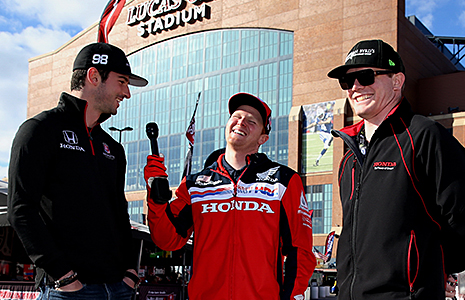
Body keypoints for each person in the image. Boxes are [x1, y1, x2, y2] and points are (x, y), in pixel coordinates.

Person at [8, 42, 148, 299]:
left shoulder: (112, 147)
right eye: (122, 82)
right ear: (94, 76)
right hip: (68, 290)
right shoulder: (40, 130)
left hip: (118, 288)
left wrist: (130, 272)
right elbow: (21, 210)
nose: (127, 93)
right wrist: (63, 275)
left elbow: (119, 213)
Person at [328, 39, 465, 299]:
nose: (355, 87)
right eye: (347, 81)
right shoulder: (349, 158)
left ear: (396, 81)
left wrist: (446, 268)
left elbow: (460, 213)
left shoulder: (423, 136)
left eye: (366, 76)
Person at [144, 92, 316, 300]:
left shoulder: (285, 180)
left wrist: (291, 297)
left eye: (252, 121)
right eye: (236, 116)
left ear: (263, 137)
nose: (241, 122)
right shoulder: (194, 184)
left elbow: (301, 251)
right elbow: (167, 240)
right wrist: (155, 198)